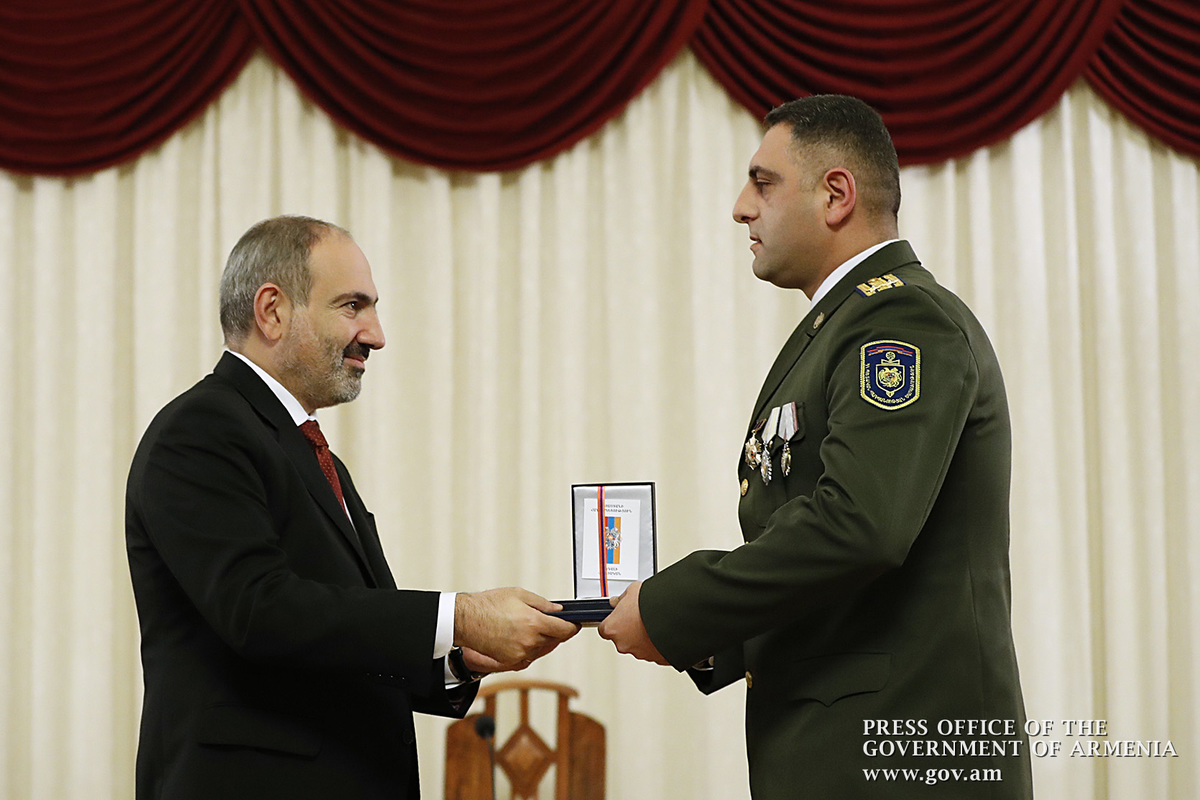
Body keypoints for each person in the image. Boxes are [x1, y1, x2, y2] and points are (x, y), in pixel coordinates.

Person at [598, 95, 1034, 798]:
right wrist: (705, 637)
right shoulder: (846, 322)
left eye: (762, 182)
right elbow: (843, 572)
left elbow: (858, 525)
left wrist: (672, 608)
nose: (741, 208)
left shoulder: (900, 319)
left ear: (836, 195)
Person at [126, 215, 579, 799]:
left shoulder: (312, 454)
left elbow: (338, 634)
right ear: (272, 311)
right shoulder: (200, 431)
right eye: (352, 306)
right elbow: (259, 611)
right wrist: (459, 616)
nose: (376, 335)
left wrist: (459, 657)